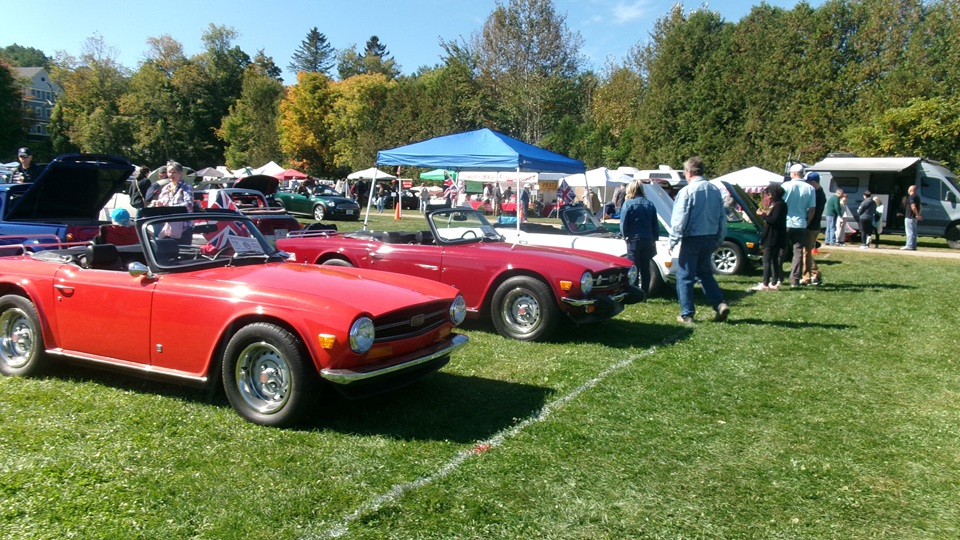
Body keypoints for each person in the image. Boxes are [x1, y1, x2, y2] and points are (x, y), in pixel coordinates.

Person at [669, 156, 729, 324]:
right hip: (710, 237)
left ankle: (687, 314)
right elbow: (722, 217)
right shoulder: (714, 190)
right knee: (705, 273)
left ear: (688, 172)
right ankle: (719, 303)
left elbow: (679, 219)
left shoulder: (687, 191)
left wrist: (673, 240)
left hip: (692, 238)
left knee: (685, 276)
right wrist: (719, 238)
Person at [619, 179, 659, 293]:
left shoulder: (628, 204)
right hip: (648, 238)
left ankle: (635, 291)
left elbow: (623, 224)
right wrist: (654, 238)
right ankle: (645, 292)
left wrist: (624, 236)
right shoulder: (650, 204)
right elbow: (655, 224)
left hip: (633, 239)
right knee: (645, 267)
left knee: (634, 267)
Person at [781, 163, 816, 287]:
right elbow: (812, 209)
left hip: (785, 222)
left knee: (781, 250)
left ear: (794, 173)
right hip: (801, 223)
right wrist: (807, 222)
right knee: (798, 252)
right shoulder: (810, 188)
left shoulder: (785, 186)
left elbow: (779, 204)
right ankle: (795, 280)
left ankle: (778, 277)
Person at [753, 184, 787, 290]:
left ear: (772, 194)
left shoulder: (779, 205)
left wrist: (763, 216)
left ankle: (765, 283)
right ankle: (774, 282)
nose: (767, 196)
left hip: (773, 236)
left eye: (768, 194)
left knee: (766, 259)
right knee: (773, 259)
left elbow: (774, 220)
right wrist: (766, 215)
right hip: (776, 235)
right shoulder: (780, 204)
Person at [154, 161, 194, 241]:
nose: (171, 175)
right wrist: (157, 203)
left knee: (182, 248)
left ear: (180, 173)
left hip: (183, 228)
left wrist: (170, 207)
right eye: (169, 172)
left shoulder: (186, 187)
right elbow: (161, 202)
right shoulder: (166, 188)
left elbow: (188, 204)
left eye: (174, 172)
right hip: (168, 227)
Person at [800, 172, 825, 286]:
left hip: (811, 226)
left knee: (806, 252)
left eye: (808, 181)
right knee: (806, 251)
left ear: (813, 181)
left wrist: (806, 224)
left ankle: (808, 277)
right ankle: (815, 273)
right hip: (815, 226)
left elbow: (812, 211)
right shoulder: (819, 192)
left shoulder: (817, 195)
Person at [901, 184, 922, 250]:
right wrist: (918, 215)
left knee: (909, 231)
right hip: (914, 217)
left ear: (910, 190)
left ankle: (909, 245)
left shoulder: (911, 197)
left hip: (910, 216)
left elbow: (913, 206)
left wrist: (917, 214)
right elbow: (920, 207)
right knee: (914, 232)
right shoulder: (917, 197)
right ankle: (914, 246)